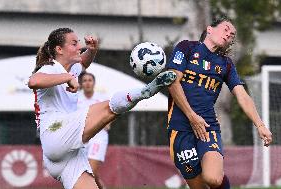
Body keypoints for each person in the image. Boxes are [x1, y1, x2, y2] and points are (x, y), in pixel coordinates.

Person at [28, 27, 176, 189]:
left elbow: (84, 62)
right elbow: (34, 81)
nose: (79, 47)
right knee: (109, 107)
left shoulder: (72, 68)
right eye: (74, 43)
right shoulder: (51, 68)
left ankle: (144, 91)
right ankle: (145, 91)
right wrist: (67, 78)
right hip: (56, 132)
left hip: (64, 156)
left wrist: (92, 50)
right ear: (59, 49)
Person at [166, 17, 272, 189]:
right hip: (180, 128)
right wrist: (192, 116)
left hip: (207, 127)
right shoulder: (186, 47)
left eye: (232, 35)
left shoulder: (226, 64)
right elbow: (172, 82)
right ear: (209, 29)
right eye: (226, 29)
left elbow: (242, 95)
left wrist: (259, 125)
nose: (229, 34)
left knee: (213, 178)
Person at [77, 71, 110, 189]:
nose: (87, 83)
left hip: (98, 137)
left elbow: (112, 113)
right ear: (80, 83)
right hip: (81, 139)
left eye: (89, 80)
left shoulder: (101, 99)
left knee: (90, 173)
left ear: (94, 83)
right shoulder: (76, 99)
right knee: (89, 175)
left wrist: (107, 122)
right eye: (84, 81)